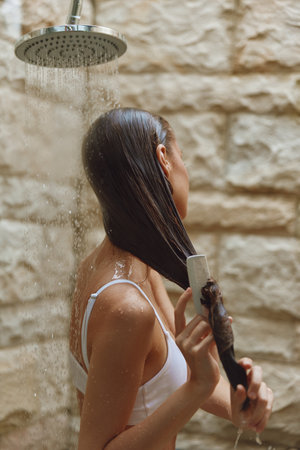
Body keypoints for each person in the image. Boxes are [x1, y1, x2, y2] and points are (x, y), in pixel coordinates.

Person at [69, 107, 273, 450]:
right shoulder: (126, 308)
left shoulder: (125, 269)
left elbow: (168, 375)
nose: (187, 170)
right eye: (184, 157)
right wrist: (196, 388)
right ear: (163, 159)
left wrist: (241, 408)